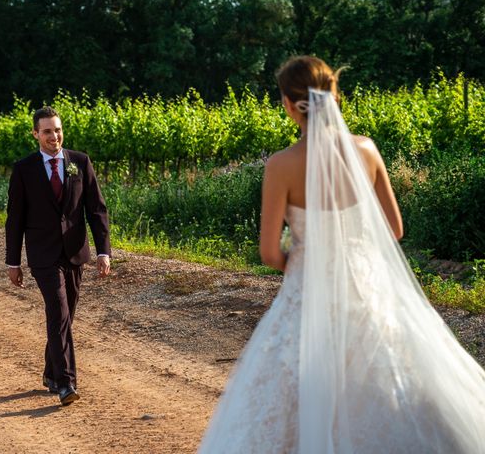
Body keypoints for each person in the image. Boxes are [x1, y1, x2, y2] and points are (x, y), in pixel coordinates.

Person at [198, 56, 485, 453]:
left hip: (309, 292)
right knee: (383, 378)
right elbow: (395, 229)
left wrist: (301, 263)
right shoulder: (366, 151)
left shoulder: (281, 165)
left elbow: (268, 252)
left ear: (287, 103)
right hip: (365, 286)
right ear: (334, 94)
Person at [5, 106, 111, 406]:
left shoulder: (80, 162)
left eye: (58, 129)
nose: (55, 136)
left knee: (66, 316)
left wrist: (104, 251)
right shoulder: (24, 169)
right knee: (59, 311)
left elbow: (97, 210)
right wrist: (13, 261)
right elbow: (15, 218)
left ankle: (51, 371)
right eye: (48, 131)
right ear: (36, 134)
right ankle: (66, 384)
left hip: (75, 252)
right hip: (42, 255)